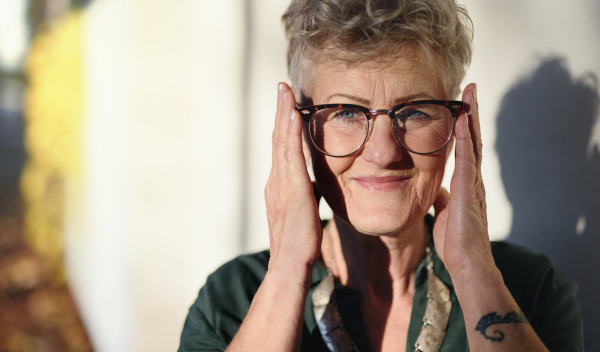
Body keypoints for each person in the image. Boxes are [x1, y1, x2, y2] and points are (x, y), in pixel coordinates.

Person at [179, 0, 583, 351]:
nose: (384, 152)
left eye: (416, 111)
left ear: (460, 126)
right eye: (347, 113)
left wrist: (472, 270)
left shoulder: (531, 291)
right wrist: (287, 271)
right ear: (298, 128)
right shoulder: (232, 299)